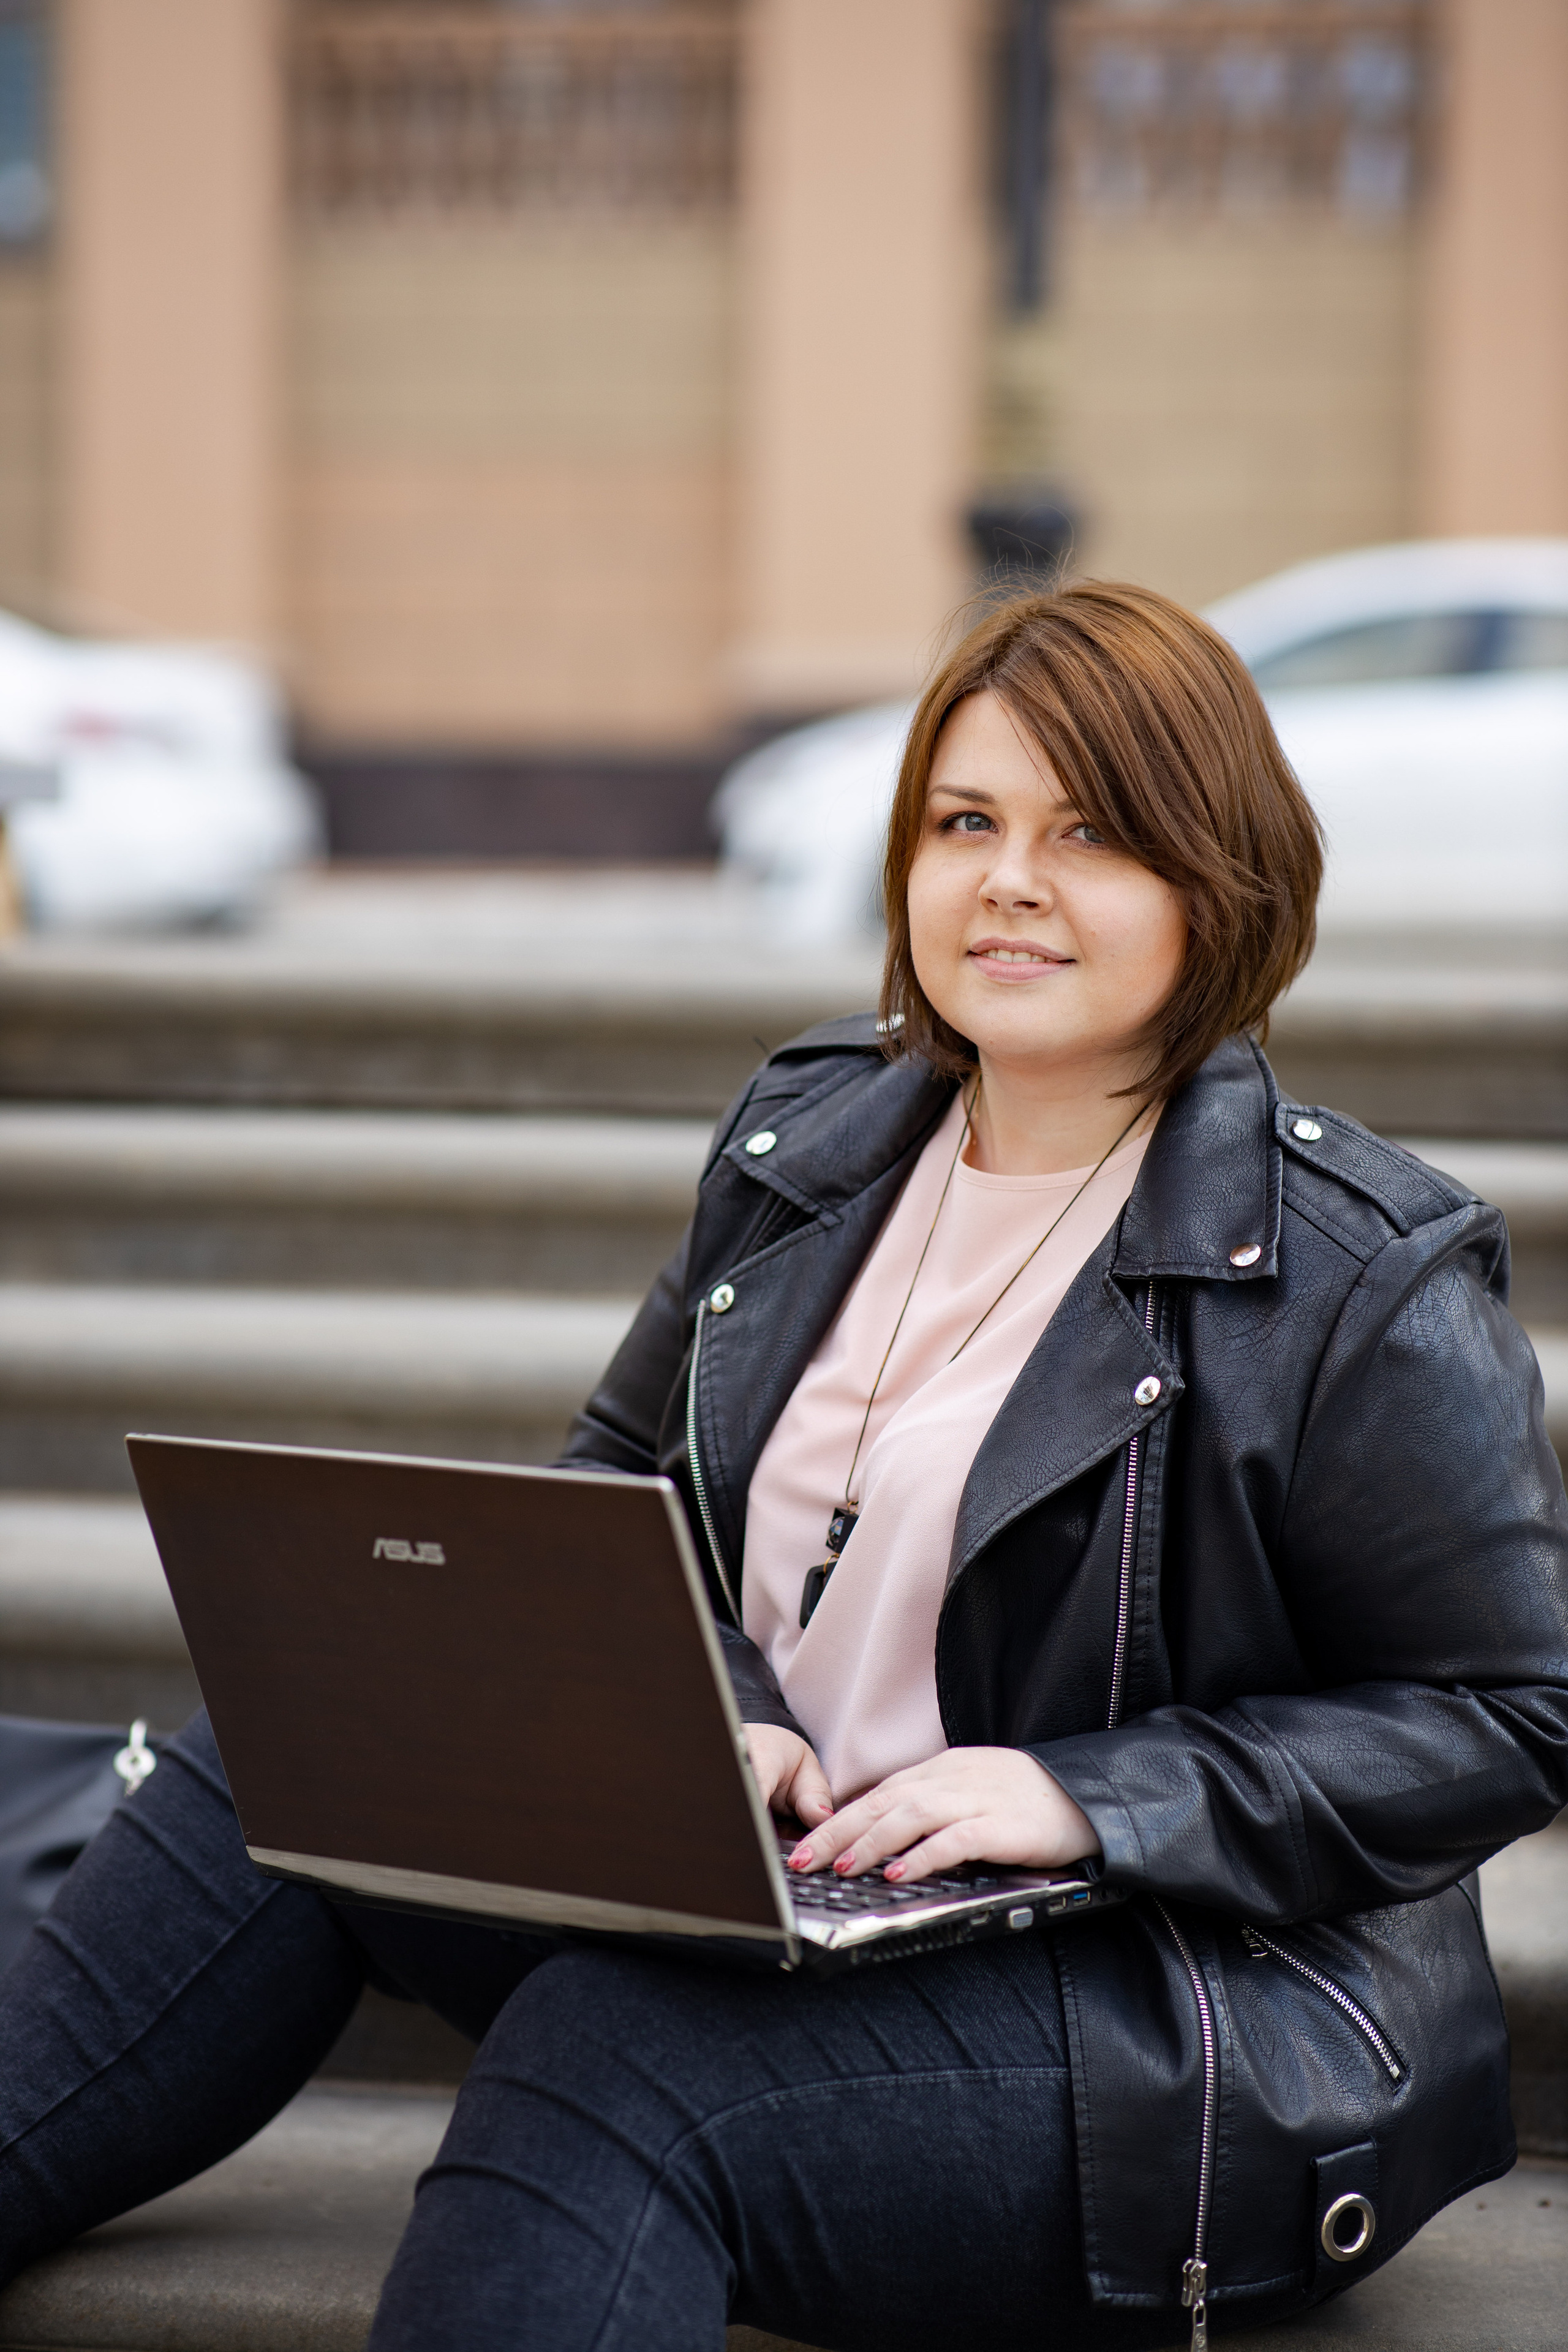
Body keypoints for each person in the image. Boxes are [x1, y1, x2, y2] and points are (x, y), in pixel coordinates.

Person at [1, 582, 1565, 2352]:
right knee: (290, 1756)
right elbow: (624, 1474)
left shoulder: (1361, 1268)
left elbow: (1511, 1712)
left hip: (1153, 2002)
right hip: (781, 1889)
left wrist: (1088, 1798)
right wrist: (709, 1705)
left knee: (613, 2054)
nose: (1012, 881)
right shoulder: (810, 1141)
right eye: (966, 822)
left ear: (1227, 881)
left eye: (1095, 833)